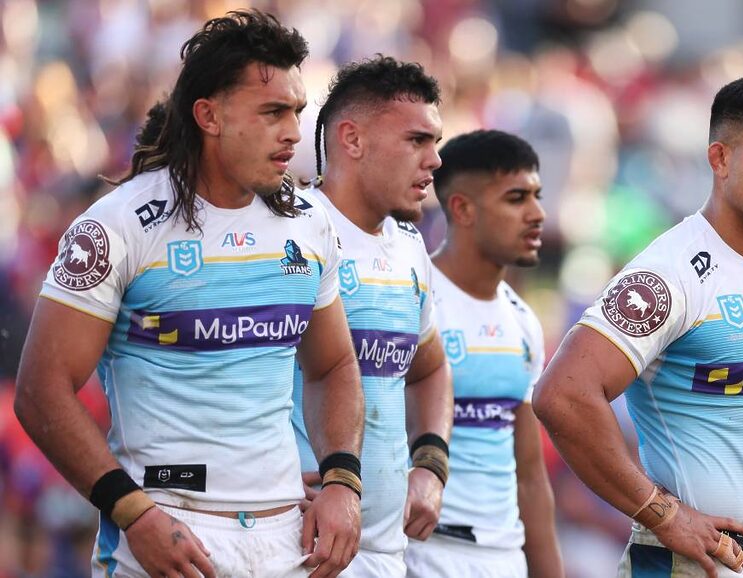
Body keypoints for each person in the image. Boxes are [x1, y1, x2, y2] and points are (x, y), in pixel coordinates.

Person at [14, 10, 365, 578]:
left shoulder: (309, 221)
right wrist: (134, 514)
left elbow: (332, 365)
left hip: (288, 540)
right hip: (167, 536)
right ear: (209, 115)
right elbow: (40, 391)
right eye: (273, 111)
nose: (295, 132)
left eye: (298, 112)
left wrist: (342, 480)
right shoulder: (116, 226)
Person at [533, 74, 743, 578]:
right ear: (720, 159)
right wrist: (662, 514)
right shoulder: (670, 272)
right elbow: (562, 394)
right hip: (691, 566)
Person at [290, 55, 453, 576]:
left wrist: (430, 466)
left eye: (436, 142)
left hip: (386, 552)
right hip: (299, 547)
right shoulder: (291, 234)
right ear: (352, 140)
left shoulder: (409, 246)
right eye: (415, 141)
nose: (434, 161)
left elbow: (429, 369)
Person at [403, 130, 564, 577]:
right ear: (462, 208)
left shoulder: (523, 320)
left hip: (503, 558)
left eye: (537, 195)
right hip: (418, 554)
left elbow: (530, 478)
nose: (537, 214)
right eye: (516, 198)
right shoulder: (414, 299)